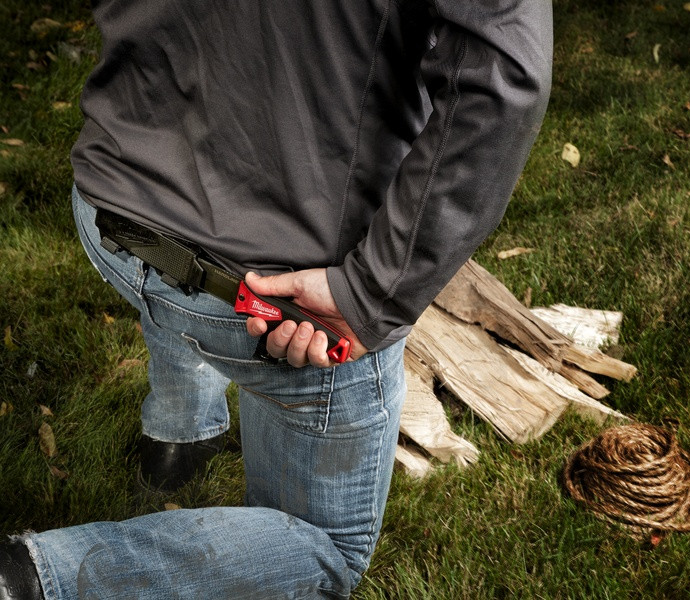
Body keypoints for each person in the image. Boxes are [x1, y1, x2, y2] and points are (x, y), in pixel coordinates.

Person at [0, 0, 553, 597]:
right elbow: (504, 79)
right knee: (325, 545)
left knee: (181, 287)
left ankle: (178, 435)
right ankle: (28, 580)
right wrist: (373, 291)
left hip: (116, 203)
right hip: (288, 287)